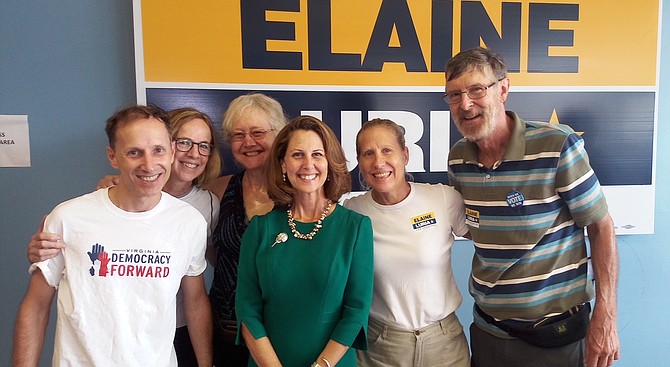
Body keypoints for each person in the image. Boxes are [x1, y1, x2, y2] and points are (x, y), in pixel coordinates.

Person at [444, 46, 619, 367]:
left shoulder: (555, 146)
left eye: (476, 90)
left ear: (504, 90)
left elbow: (601, 226)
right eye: (454, 95)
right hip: (489, 332)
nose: (465, 104)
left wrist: (606, 314)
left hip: (557, 337)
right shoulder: (458, 158)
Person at [13, 105, 212, 366]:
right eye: (134, 152)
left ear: (171, 152)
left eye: (158, 150)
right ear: (113, 157)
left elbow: (195, 301)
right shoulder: (68, 217)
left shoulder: (190, 222)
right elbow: (36, 307)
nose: (149, 164)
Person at [235, 115, 374, 367]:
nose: (308, 164)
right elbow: (247, 311)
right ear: (283, 164)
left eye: (317, 154)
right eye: (297, 155)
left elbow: (356, 312)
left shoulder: (355, 228)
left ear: (330, 163)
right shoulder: (260, 229)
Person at [344, 118, 471, 367]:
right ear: (359, 162)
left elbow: (491, 242)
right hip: (381, 346)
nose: (378, 162)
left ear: (405, 155)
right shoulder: (352, 211)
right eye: (368, 153)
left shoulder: (442, 198)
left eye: (387, 150)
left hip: (445, 343)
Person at [205, 93, 287, 366]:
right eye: (238, 135)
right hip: (228, 329)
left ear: (279, 135)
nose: (248, 142)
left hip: (283, 329)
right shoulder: (218, 189)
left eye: (258, 132)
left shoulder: (299, 193)